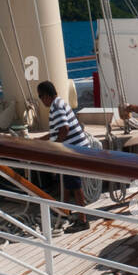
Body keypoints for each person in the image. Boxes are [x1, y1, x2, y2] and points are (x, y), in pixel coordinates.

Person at [37, 79, 91, 232]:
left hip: (73, 151)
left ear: (47, 95)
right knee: (68, 182)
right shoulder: (59, 103)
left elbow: (64, 129)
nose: (41, 100)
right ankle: (64, 212)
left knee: (75, 184)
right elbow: (56, 131)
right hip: (74, 149)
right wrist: (40, 140)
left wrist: (56, 147)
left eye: (40, 97)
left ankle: (83, 220)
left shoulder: (56, 107)